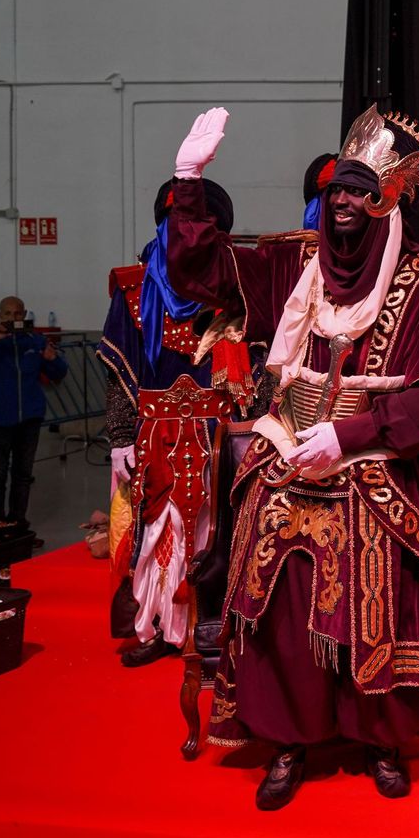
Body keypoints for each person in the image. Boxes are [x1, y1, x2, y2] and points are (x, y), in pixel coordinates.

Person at [164, 105, 419, 810]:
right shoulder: (290, 265)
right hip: (287, 448)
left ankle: (378, 739)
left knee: (379, 574)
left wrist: (351, 436)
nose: (345, 205)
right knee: (274, 587)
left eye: (363, 193)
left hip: (370, 457)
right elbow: (202, 274)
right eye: (337, 190)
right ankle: (288, 739)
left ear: (388, 201)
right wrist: (189, 179)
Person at [97, 178, 250, 667]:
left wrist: (261, 429)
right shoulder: (133, 287)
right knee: (158, 531)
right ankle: (158, 627)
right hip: (155, 434)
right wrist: (120, 437)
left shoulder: (238, 289)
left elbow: (262, 364)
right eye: (179, 225)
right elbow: (119, 373)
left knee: (217, 530)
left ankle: (216, 626)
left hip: (222, 431)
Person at [0, 296, 67, 531]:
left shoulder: (35, 341)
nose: (12, 319)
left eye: (17, 314)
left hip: (29, 419)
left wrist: (53, 359)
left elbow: (58, 373)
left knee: (23, 473)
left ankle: (18, 520)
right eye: (7, 314)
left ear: (24, 315)